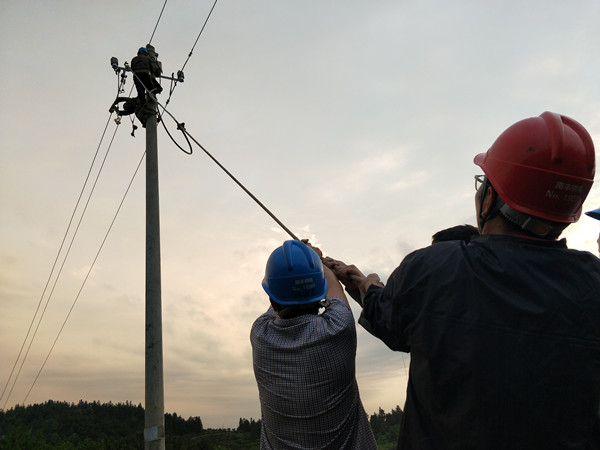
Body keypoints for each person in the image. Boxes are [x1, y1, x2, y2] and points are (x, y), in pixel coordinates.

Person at [324, 112, 600, 449]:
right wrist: (363, 283)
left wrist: (365, 285)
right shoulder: (593, 282)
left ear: (489, 199)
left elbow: (389, 319)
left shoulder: (434, 268)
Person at [250, 239, 377, 449]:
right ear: (320, 292)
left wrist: (308, 260)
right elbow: (334, 287)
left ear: (273, 301)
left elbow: (279, 298)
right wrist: (315, 260)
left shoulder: (260, 333)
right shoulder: (339, 326)